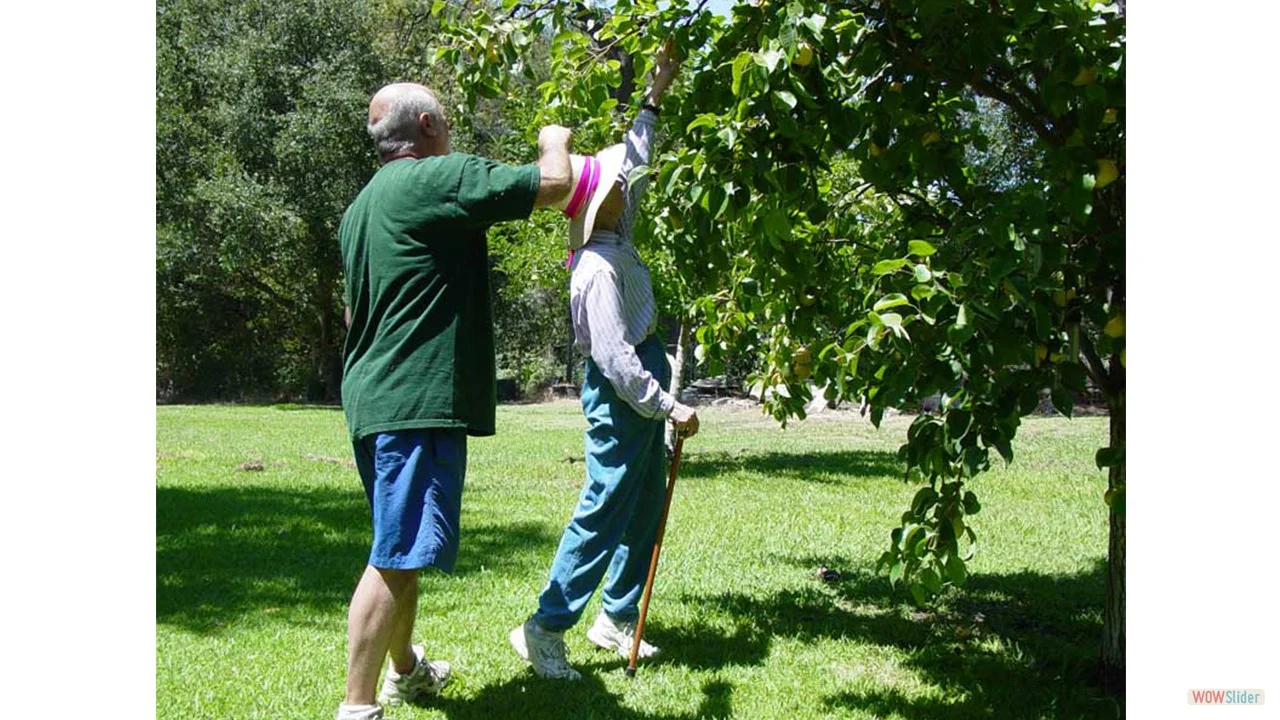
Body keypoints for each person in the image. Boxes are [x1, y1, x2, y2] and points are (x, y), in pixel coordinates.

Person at [335, 82, 573, 720]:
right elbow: (555, 185)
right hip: (414, 400)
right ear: (427, 124)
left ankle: (407, 670)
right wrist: (555, 140)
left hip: (372, 395)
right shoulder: (437, 178)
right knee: (395, 554)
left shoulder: (361, 208)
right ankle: (357, 708)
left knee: (400, 545)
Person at [508, 39, 699, 681]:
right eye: (614, 185)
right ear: (596, 206)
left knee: (642, 500)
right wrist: (667, 403)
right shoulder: (594, 270)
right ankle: (545, 627)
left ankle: (615, 616)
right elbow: (617, 362)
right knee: (605, 502)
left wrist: (656, 89)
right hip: (622, 391)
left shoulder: (617, 228)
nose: (625, 184)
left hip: (637, 379)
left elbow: (638, 157)